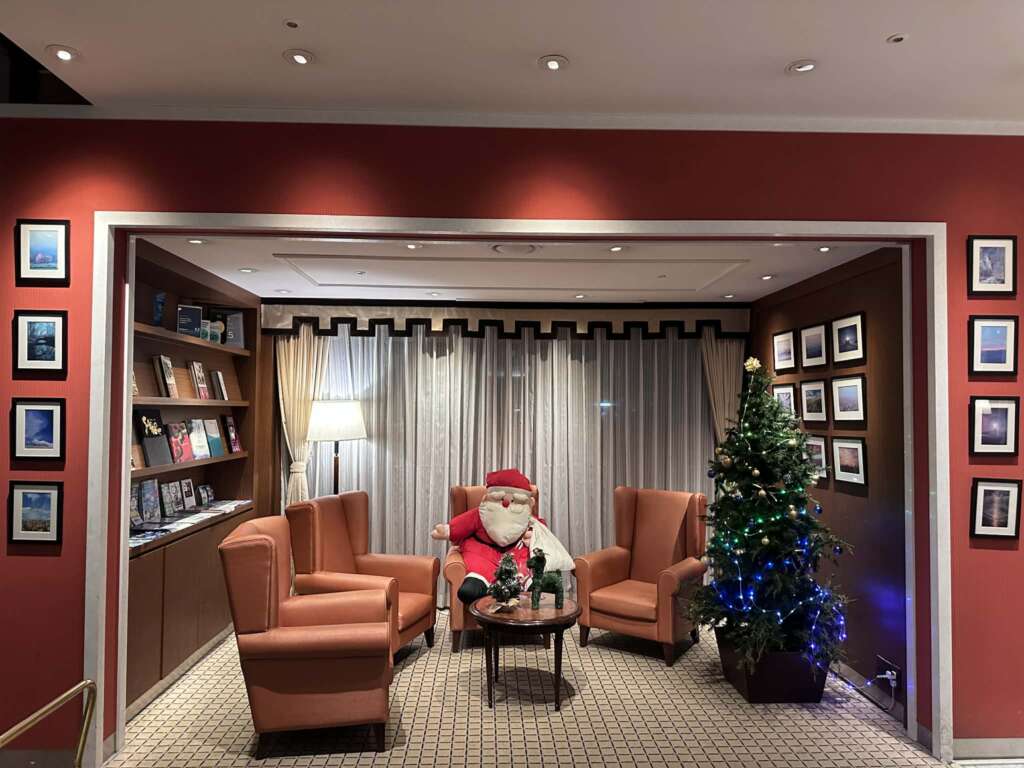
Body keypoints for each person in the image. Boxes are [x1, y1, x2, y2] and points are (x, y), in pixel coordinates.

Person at [431, 468, 544, 606]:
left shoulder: (526, 517)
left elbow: (543, 532)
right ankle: (480, 583)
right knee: (471, 586)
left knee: (525, 567)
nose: (506, 504)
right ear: (487, 498)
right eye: (500, 499)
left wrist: (533, 534)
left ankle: (526, 584)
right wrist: (446, 530)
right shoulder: (481, 514)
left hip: (515, 554)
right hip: (483, 553)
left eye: (513, 500)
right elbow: (462, 524)